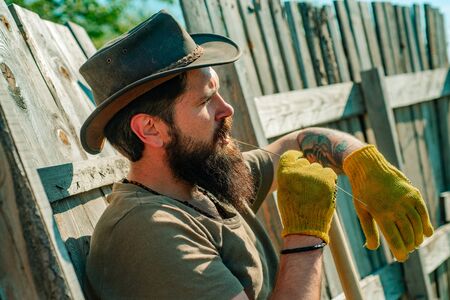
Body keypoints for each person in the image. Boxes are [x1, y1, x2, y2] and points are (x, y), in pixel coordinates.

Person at [79, 11, 434, 299]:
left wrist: (360, 161)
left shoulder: (199, 184)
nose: (227, 109)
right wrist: (305, 235)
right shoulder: (151, 233)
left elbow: (300, 141)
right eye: (205, 100)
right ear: (151, 129)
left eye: (218, 93)